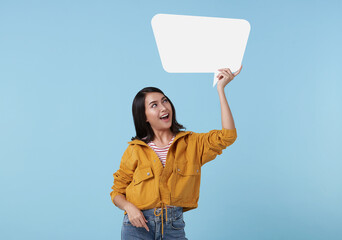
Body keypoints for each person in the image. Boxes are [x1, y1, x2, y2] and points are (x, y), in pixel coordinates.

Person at [110, 66, 242, 239]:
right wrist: (129, 207)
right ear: (145, 117)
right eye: (154, 105)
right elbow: (117, 192)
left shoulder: (191, 143)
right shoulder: (135, 150)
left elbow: (228, 136)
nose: (164, 108)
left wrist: (221, 89)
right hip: (137, 226)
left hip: (173, 226)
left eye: (165, 101)